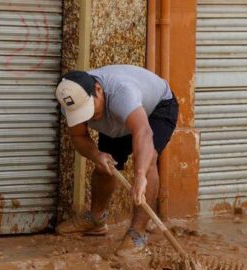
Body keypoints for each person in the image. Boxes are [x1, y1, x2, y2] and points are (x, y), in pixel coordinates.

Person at [55, 65, 178, 256]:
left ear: (98, 90)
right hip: (116, 120)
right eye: (83, 113)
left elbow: (143, 132)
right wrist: (97, 155)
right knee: (105, 165)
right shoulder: (71, 101)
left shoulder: (123, 92)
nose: (89, 117)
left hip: (156, 108)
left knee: (148, 162)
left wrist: (139, 176)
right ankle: (96, 220)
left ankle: (138, 232)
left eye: (89, 109)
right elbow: (79, 137)